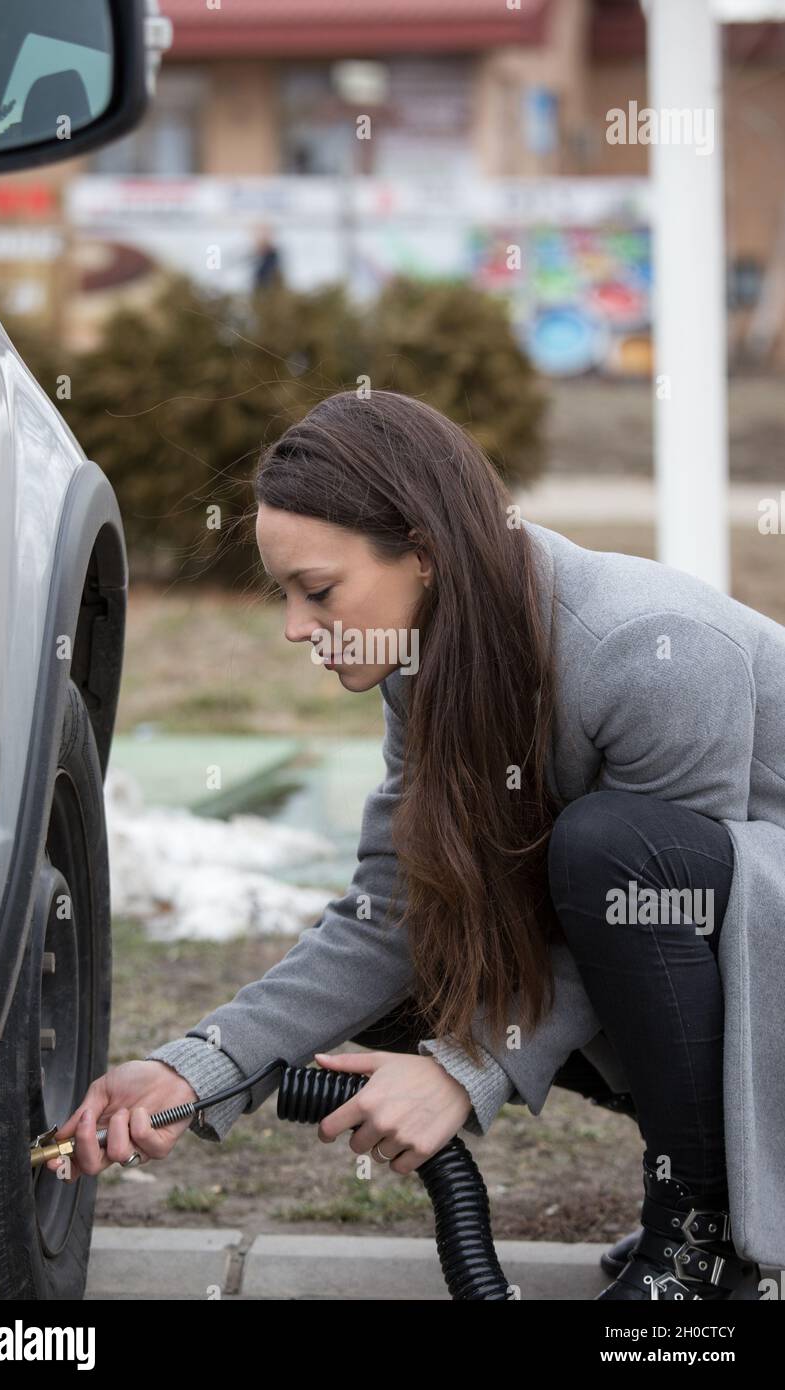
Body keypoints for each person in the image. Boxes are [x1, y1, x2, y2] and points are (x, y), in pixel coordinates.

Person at [46, 388, 785, 1300]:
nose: (293, 628)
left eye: (317, 591)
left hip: (763, 964)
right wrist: (193, 1066)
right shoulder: (425, 660)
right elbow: (386, 913)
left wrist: (463, 1070)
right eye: (284, 594)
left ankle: (699, 1244)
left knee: (609, 852)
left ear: (424, 554)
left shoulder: (649, 647)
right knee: (435, 948)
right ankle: (698, 1199)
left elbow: (676, 917)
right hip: (733, 973)